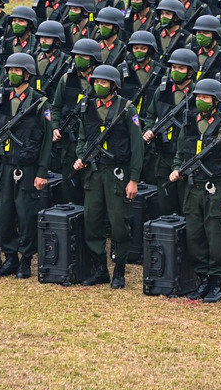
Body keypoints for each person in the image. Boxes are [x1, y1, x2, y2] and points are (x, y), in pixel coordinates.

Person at [170, 78, 221, 303]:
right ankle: (202, 280)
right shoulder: (190, 123)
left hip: (217, 190)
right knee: (195, 237)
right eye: (198, 97)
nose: (200, 101)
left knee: (218, 237)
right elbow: (181, 153)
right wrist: (176, 169)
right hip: (193, 189)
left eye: (205, 97)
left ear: (216, 100)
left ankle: (217, 283)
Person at [0, 52, 53, 280]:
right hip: (4, 165)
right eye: (10, 70)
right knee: (3, 213)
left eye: (17, 70)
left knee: (26, 214)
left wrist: (41, 173)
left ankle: (25, 259)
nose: (12, 74)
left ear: (27, 74)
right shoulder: (1, 97)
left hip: (27, 167)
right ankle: (9, 257)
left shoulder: (40, 103)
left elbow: (47, 141)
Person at [74, 64, 142, 289]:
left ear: (114, 85)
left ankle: (119, 272)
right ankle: (99, 270)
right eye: (96, 82)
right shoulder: (87, 106)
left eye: (104, 82)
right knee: (92, 222)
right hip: (94, 173)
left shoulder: (127, 109)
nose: (99, 86)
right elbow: (82, 136)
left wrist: (133, 179)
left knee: (119, 224)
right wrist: (81, 156)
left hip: (117, 174)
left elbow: (137, 146)